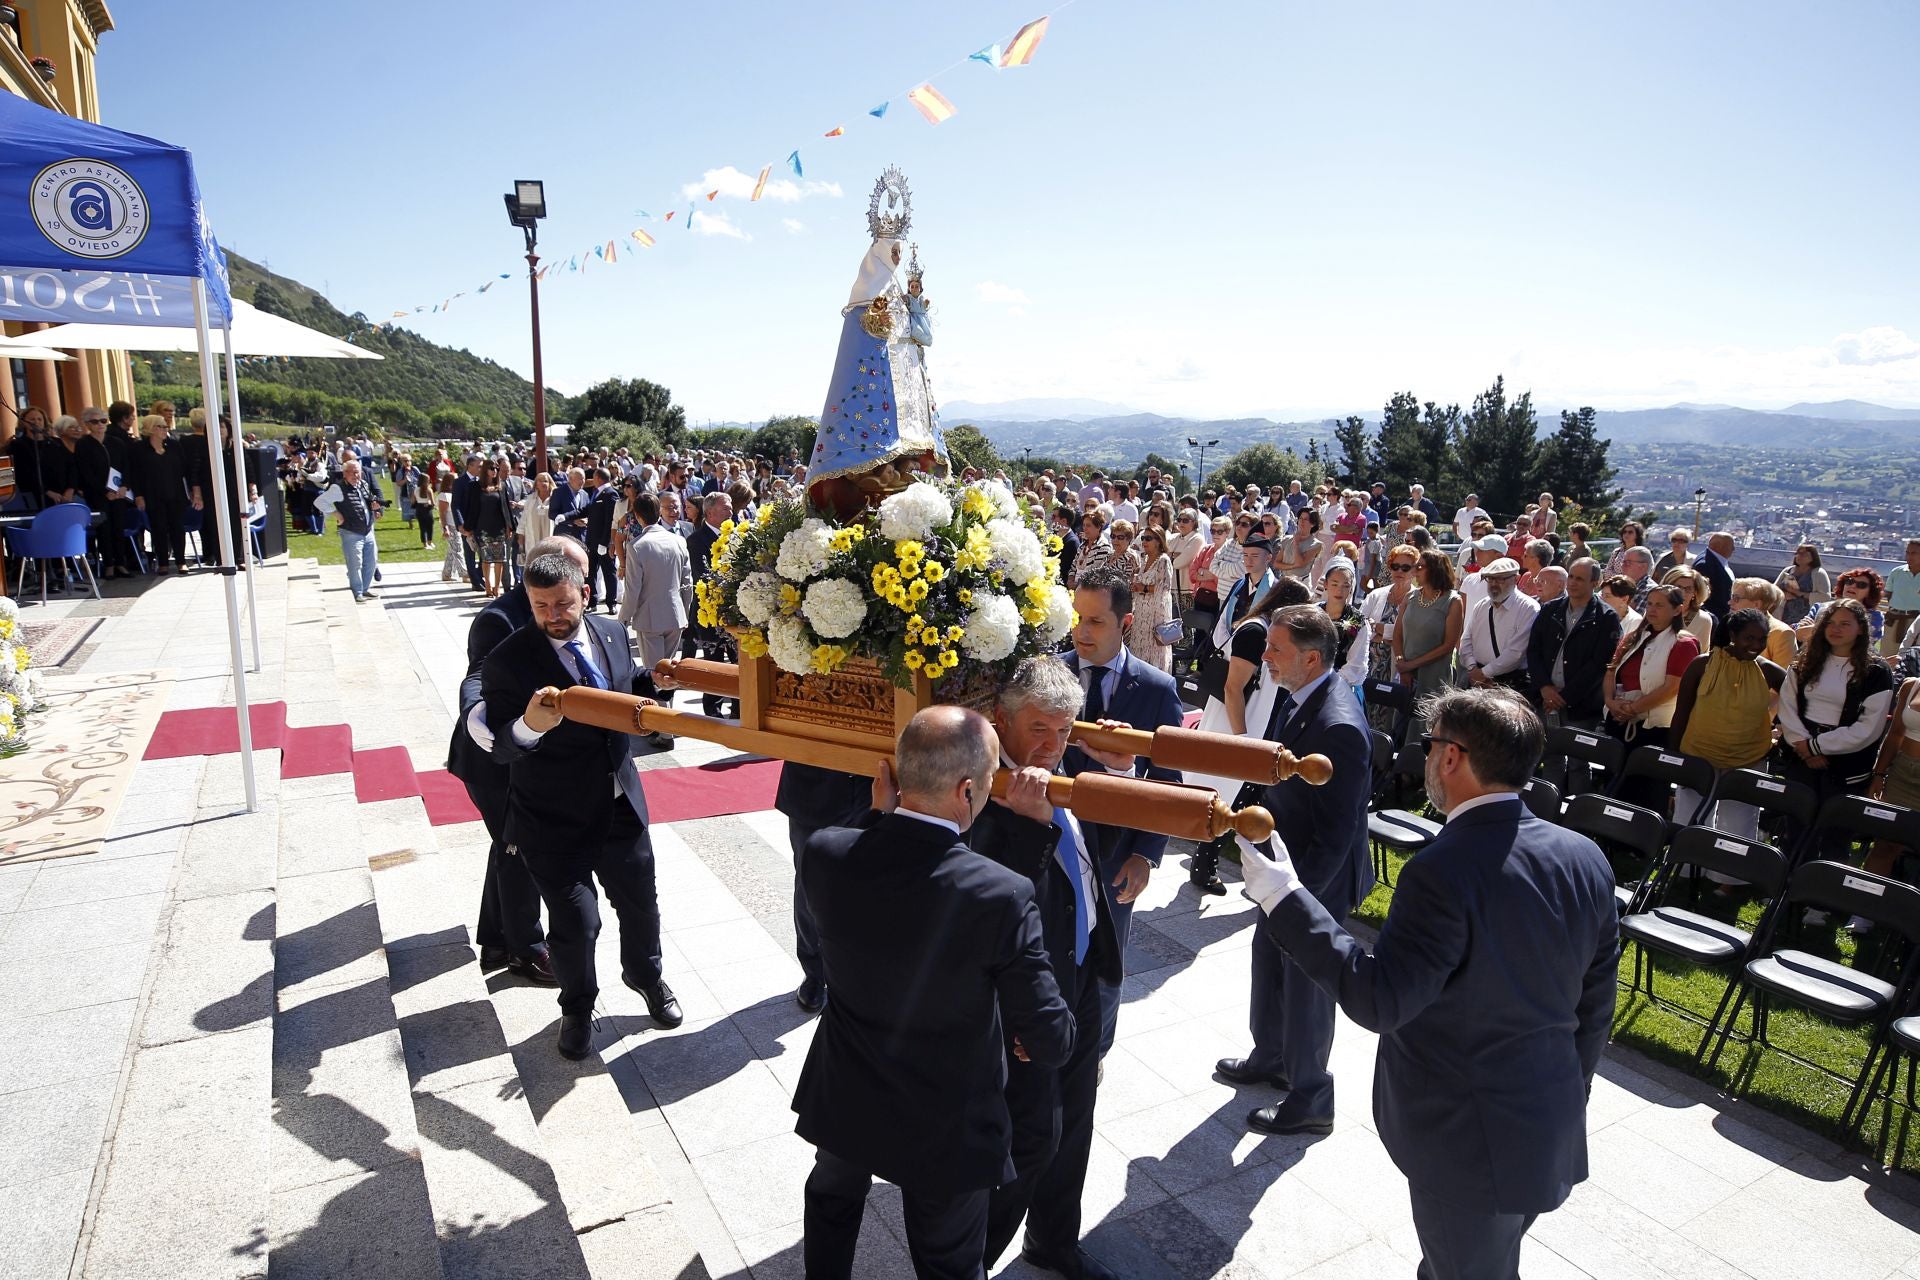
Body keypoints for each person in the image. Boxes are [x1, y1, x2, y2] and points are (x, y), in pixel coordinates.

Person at [1238, 686, 1616, 1278]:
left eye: (1430, 744)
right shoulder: (1585, 855)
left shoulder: (1441, 869)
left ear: (1452, 757)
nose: (1424, 759)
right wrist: (1565, 1092)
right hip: (1545, 1122)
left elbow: (1379, 998)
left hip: (1467, 1142)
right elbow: (1596, 1008)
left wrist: (1282, 896)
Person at [794, 707, 1073, 1280]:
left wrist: (879, 814)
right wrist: (1033, 827)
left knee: (831, 1200)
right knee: (947, 1261)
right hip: (944, 1118)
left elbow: (895, 882)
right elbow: (1051, 1039)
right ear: (967, 790)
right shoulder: (1002, 894)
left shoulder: (825, 852)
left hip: (848, 1086)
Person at [481, 552, 682, 1057]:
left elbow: (624, 688)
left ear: (585, 594)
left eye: (563, 603)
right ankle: (576, 1007)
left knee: (641, 905)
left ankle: (647, 978)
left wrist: (655, 683)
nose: (552, 614)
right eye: (539, 604)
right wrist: (529, 726)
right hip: (552, 818)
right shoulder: (509, 660)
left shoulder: (611, 633)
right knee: (576, 922)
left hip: (618, 804)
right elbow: (500, 746)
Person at [971, 658, 1124, 1279]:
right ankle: (967, 1260)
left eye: (1065, 731)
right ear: (1001, 721)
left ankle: (1054, 1239)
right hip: (1028, 995)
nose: (1053, 745)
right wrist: (1032, 828)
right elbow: (992, 906)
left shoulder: (1058, 774)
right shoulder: (982, 789)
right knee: (1032, 1135)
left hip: (1083, 975)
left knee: (1076, 1120)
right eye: (1039, 728)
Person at [1215, 605, 1374, 1135]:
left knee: (1308, 982)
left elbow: (1339, 830)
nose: (1266, 656)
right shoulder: (1302, 696)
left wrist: (1299, 900)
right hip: (1288, 869)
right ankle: (1273, 1056)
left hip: (1314, 879)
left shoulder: (1338, 724)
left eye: (1276, 649)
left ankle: (1312, 1097)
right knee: (1269, 958)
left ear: (1310, 658)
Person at [447, 537, 588, 988]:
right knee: (518, 847)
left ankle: (496, 937)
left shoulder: (570, 610)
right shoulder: (499, 618)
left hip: (532, 754)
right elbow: (477, 676)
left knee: (508, 846)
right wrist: (475, 712)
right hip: (495, 757)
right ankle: (525, 948)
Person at [1063, 568, 1184, 1054]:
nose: (1081, 632)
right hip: (1058, 842)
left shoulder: (1155, 689)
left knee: (1106, 959)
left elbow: (1167, 780)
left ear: (1126, 623)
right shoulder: (1052, 672)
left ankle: (1095, 1052)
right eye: (1076, 618)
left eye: (1095, 621)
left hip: (1117, 853)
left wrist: (1146, 855)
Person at [1777, 598, 1894, 869]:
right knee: (1796, 822)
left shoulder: (1876, 671)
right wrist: (1803, 746)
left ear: (1861, 629)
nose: (1836, 629)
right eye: (1830, 623)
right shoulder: (1806, 659)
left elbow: (1869, 727)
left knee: (1834, 830)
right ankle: (1788, 882)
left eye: (1845, 624)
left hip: (1845, 764)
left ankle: (1822, 897)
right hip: (1800, 754)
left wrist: (1817, 747)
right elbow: (1788, 705)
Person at [1670, 609, 1788, 845]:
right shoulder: (1702, 665)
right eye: (1749, 638)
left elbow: (1797, 705)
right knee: (1690, 815)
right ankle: (1686, 865)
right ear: (1733, 635)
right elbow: (1682, 712)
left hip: (1748, 758)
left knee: (1739, 822)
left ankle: (1728, 877)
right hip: (1699, 753)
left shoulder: (1769, 671)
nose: (1756, 645)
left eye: (1761, 639)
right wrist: (1674, 755)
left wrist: (1778, 732)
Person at [618, 492, 693, 746]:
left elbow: (633, 589)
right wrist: (684, 611)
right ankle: (665, 724)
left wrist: (622, 619)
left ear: (637, 517)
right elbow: (687, 584)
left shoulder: (637, 545)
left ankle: (664, 729)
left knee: (655, 674)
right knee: (669, 673)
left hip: (649, 615)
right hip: (674, 613)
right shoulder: (678, 541)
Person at [1527, 557, 1622, 748]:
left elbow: (1599, 664)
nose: (1572, 582)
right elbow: (1533, 650)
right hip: (1545, 699)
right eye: (1571, 576)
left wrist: (1564, 697)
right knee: (1547, 754)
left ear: (1594, 583)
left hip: (1581, 705)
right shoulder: (1550, 609)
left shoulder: (1606, 618)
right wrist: (1545, 688)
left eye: (1579, 579)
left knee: (1578, 762)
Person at [1603, 584, 1700, 750]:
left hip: (1654, 728)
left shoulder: (1683, 644)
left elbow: (1671, 688)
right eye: (1649, 604)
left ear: (1677, 610)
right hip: (1618, 718)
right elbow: (1611, 672)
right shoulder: (1632, 638)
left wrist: (1632, 709)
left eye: (1659, 605)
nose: (1652, 609)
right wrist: (1610, 702)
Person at [1456, 558, 1539, 694]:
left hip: (1511, 681)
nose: (1494, 584)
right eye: (1490, 579)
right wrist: (1473, 669)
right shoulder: (1481, 606)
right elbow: (1466, 640)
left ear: (1516, 579)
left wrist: (1483, 673)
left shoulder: (1528, 608)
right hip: (1477, 677)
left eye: (1500, 579)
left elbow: (1516, 653)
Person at [1394, 547, 1464, 703]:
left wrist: (1410, 665)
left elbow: (1448, 645)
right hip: (1405, 675)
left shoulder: (1453, 601)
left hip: (1434, 677)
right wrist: (1401, 665)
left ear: (1435, 569)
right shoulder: (1410, 596)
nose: (1414, 571)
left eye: (1419, 567)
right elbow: (1397, 634)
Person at [1124, 526, 1176, 672]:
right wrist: (1135, 586)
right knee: (1139, 648)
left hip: (1156, 615)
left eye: (1148, 538)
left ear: (1158, 541)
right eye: (1143, 538)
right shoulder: (1144, 559)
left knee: (1154, 651)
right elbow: (1140, 582)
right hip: (1141, 613)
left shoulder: (1163, 561)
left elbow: (1164, 587)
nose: (1144, 541)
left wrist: (1143, 588)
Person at [1797, 567, 1886, 650]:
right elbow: (1800, 634)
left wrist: (1814, 628)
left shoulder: (1875, 617)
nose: (1853, 586)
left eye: (1861, 585)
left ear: (1870, 592)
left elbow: (1856, 643)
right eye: (1849, 581)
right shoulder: (1819, 607)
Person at [1317, 557, 1371, 688]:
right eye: (1334, 584)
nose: (1339, 591)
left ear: (1351, 587)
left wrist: (1327, 684)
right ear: (1326, 584)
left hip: (1340, 687)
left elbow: (1355, 665)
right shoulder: (1312, 613)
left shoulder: (1359, 622)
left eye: (1345, 586)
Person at [1730, 577, 1797, 668]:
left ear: (1757, 604)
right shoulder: (1729, 625)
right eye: (1732, 597)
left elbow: (1783, 677)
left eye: (1736, 598)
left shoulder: (1781, 633)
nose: (1730, 602)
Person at [585, 467, 621, 612]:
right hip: (592, 541)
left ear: (599, 478)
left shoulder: (610, 494)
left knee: (608, 571)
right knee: (591, 572)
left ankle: (611, 602)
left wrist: (605, 542)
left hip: (603, 542)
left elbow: (610, 520)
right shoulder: (596, 493)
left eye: (594, 477)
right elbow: (588, 510)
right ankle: (592, 602)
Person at [474, 460, 510, 599]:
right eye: (491, 468)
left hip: (499, 527)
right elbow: (473, 508)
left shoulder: (501, 486)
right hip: (483, 528)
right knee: (486, 559)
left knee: (500, 559)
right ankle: (488, 586)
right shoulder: (477, 487)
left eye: (496, 468)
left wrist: (509, 526)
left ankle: (497, 587)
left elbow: (506, 508)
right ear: (485, 470)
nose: (494, 470)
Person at [1882, 541, 1920, 659]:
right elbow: (1888, 594)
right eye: (1907, 552)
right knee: (1887, 657)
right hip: (1894, 620)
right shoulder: (1897, 572)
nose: (1909, 556)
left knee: (1912, 660)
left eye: (1914, 553)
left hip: (1917, 623)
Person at [1694, 531, 1736, 620]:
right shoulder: (1705, 565)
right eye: (1730, 546)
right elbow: (1703, 596)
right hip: (1713, 618)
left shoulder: (1715, 559)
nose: (1733, 549)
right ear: (1717, 546)